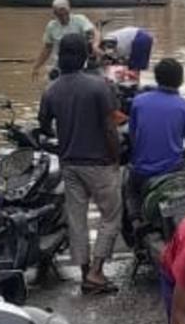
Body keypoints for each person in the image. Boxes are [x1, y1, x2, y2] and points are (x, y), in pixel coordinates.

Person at [37, 33, 122, 295]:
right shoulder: (99, 86)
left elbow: (43, 125)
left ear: (60, 57)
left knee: (77, 220)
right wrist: (115, 156)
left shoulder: (51, 90)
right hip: (98, 163)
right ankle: (97, 272)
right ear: (86, 57)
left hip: (69, 163)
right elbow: (110, 127)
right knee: (111, 215)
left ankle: (86, 273)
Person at [128, 58, 185, 218]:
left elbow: (134, 139)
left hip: (142, 172)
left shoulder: (139, 102)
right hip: (174, 170)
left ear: (157, 78)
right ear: (180, 80)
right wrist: (180, 154)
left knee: (129, 192)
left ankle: (135, 218)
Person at [33, 0, 100, 77]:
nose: (64, 17)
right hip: (60, 63)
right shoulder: (51, 26)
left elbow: (95, 32)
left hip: (81, 61)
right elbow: (47, 48)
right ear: (55, 13)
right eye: (60, 15)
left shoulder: (80, 19)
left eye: (66, 13)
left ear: (69, 10)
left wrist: (95, 45)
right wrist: (36, 67)